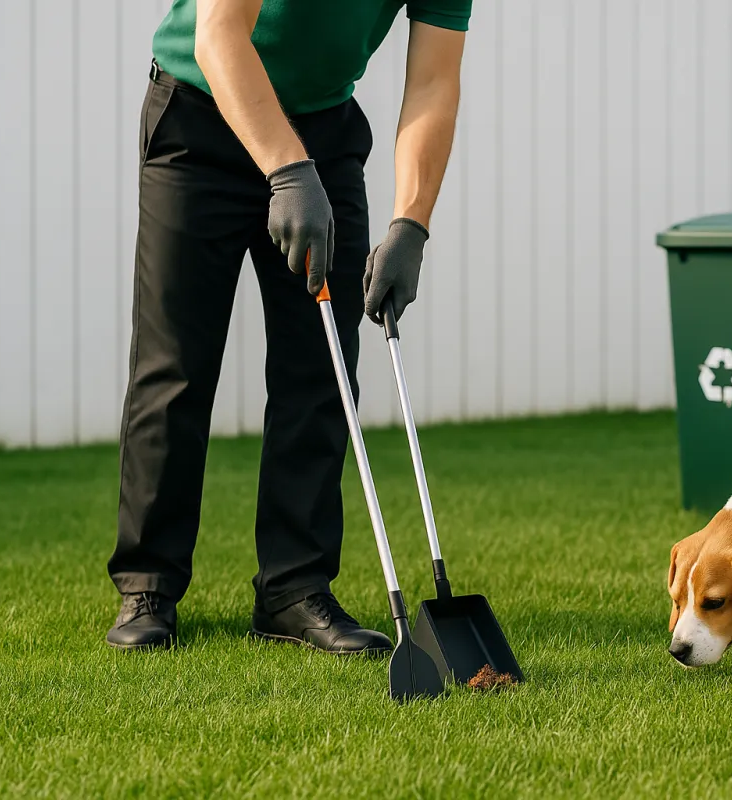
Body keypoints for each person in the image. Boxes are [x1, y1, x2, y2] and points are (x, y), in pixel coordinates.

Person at [104, 0, 469, 653]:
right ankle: (149, 585)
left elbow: (435, 82)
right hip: (199, 117)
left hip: (322, 130)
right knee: (175, 366)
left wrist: (411, 225)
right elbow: (220, 33)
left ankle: (293, 590)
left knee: (322, 372)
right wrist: (285, 168)